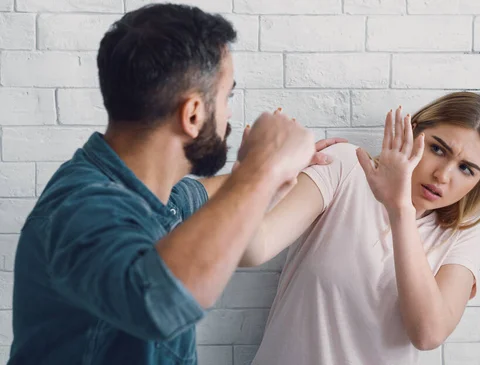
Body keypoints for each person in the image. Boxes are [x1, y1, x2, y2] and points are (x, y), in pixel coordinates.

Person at [8, 4, 345, 364]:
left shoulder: (136, 191)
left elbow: (194, 198)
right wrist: (261, 170)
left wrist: (272, 172)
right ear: (193, 114)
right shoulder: (84, 208)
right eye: (226, 96)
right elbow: (161, 300)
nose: (229, 114)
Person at [241, 92, 480, 365]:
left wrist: (400, 208)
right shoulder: (344, 166)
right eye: (437, 149)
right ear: (411, 131)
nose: (442, 175)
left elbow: (428, 334)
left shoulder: (461, 240)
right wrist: (251, 180)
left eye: (465, 169)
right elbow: (254, 249)